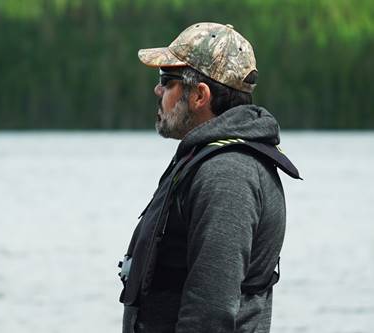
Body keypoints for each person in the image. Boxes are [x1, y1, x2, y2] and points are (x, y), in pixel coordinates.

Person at [118, 22, 301, 333]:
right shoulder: (207, 159)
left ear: (200, 96)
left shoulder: (228, 175)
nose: (158, 89)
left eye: (167, 80)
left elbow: (210, 314)